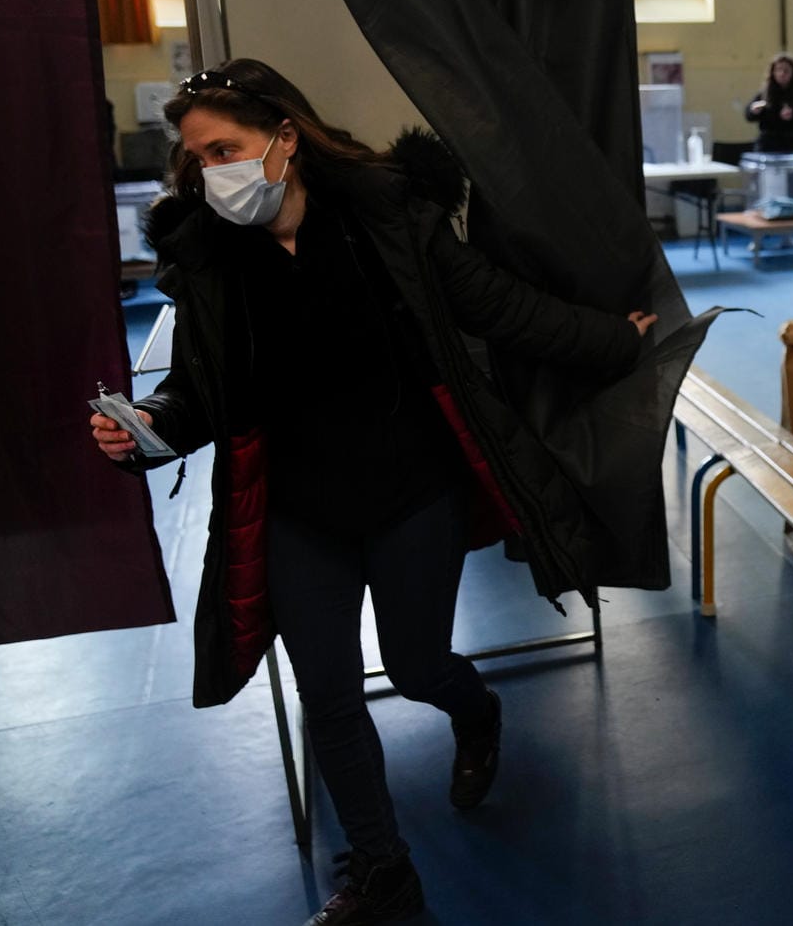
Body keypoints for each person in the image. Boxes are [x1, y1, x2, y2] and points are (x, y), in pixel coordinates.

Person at [88, 59, 655, 926]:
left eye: (225, 148)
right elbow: (202, 394)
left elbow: (497, 307)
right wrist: (145, 431)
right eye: (196, 159)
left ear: (284, 138)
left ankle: (477, 709)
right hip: (300, 511)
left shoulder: (388, 220)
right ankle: (384, 869)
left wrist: (614, 341)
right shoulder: (212, 262)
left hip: (409, 492)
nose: (210, 173)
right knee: (331, 693)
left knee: (420, 663)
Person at [745, 52, 793, 153]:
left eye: (786, 71)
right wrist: (754, 110)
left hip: (792, 143)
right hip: (768, 144)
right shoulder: (765, 92)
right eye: (778, 70)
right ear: (773, 72)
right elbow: (748, 115)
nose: (782, 74)